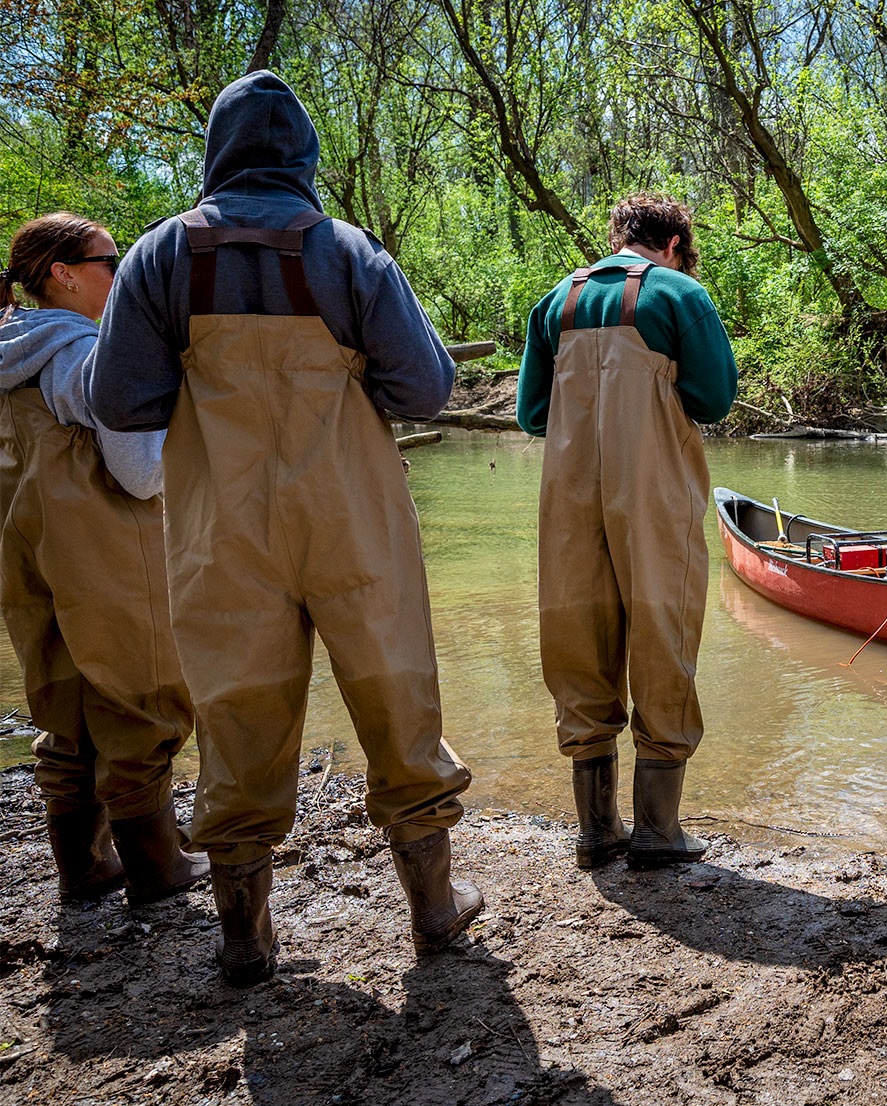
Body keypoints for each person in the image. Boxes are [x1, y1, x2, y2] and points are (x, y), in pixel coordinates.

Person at [89, 71, 479, 984]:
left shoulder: (155, 258)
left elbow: (118, 401)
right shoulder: (349, 252)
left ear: (217, 152)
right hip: (352, 518)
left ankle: (244, 938)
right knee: (396, 691)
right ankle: (433, 912)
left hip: (221, 526)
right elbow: (426, 388)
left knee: (237, 710)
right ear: (304, 157)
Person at [518, 193, 737, 870]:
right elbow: (714, 398)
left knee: (577, 633)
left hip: (569, 497)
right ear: (673, 244)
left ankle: (594, 831)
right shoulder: (679, 295)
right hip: (653, 492)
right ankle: (657, 832)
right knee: (662, 629)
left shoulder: (556, 301)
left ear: (617, 239)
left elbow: (532, 414)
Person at [0, 214, 205, 905]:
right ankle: (157, 866)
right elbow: (140, 474)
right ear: (62, 274)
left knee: (63, 698)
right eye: (109, 260)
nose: (121, 273)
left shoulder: (11, 348)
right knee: (144, 691)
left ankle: (84, 868)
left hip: (25, 549)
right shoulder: (86, 350)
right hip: (107, 544)